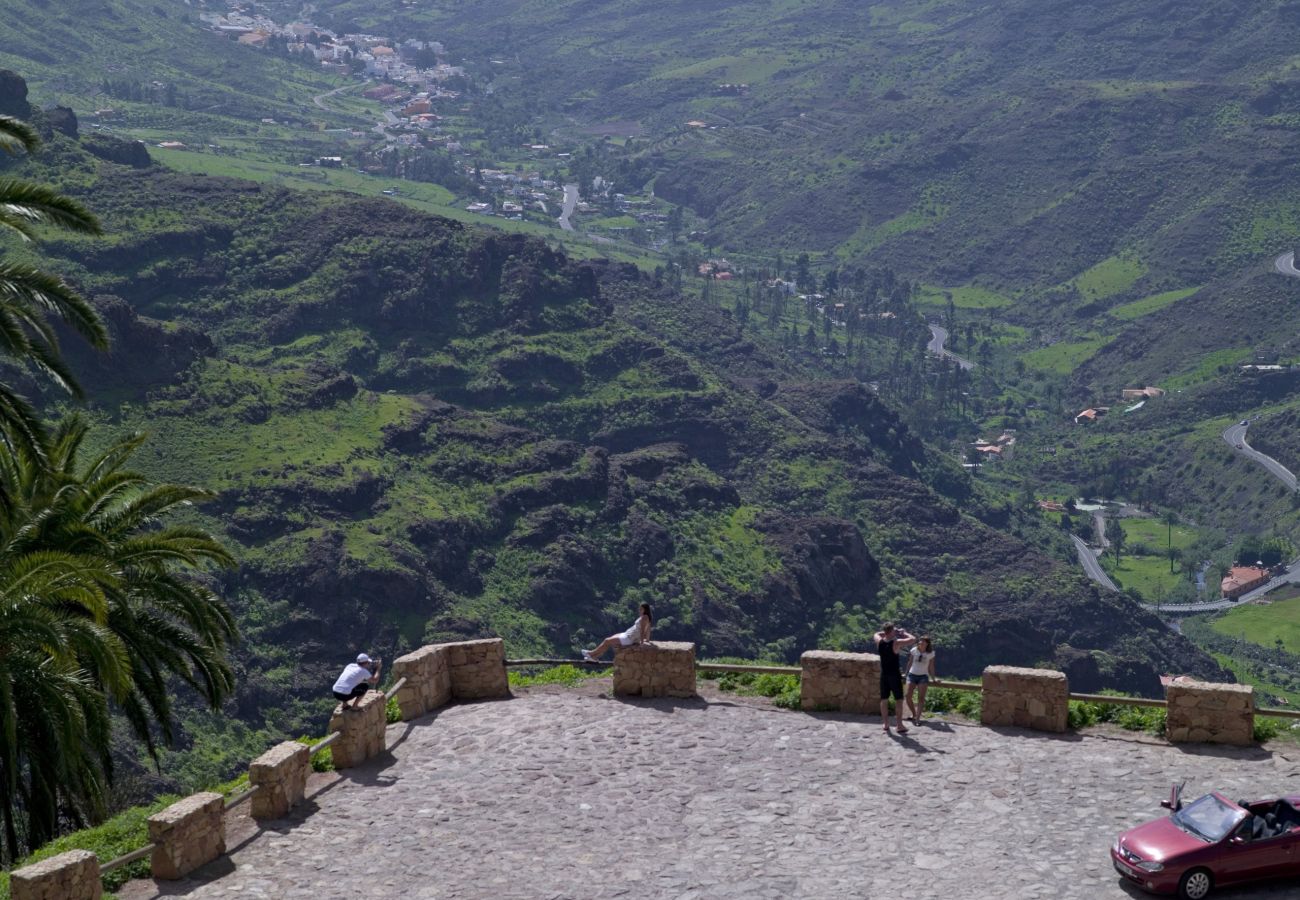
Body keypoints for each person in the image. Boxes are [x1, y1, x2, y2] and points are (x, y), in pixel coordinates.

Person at [873, 622, 916, 734]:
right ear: (891, 631)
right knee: (899, 700)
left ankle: (886, 723)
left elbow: (876, 633)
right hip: (894, 675)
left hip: (884, 674)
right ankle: (899, 725)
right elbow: (913, 639)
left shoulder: (879, 642)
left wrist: (890, 631)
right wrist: (902, 632)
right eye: (893, 631)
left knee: (884, 699)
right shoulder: (896, 643)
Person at [582, 603, 653, 660]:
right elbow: (648, 630)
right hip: (627, 634)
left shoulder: (644, 617)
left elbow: (643, 631)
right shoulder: (647, 617)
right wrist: (647, 640)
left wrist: (642, 643)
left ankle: (591, 654)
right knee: (609, 640)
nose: (639, 610)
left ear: (644, 609)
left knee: (607, 641)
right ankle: (594, 657)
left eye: (641, 609)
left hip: (628, 638)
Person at [904, 636, 936, 726]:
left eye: (923, 641)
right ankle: (914, 714)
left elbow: (931, 666)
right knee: (907, 696)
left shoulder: (931, 653)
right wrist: (905, 674)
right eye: (920, 641)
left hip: (923, 676)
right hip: (912, 675)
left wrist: (934, 678)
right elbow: (910, 662)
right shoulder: (914, 650)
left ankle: (917, 719)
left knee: (921, 698)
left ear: (927, 643)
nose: (921, 642)